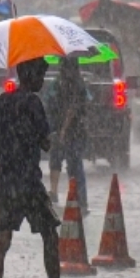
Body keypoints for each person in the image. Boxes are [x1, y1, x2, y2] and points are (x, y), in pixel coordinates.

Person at [0, 58, 88, 278]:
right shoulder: (33, 103)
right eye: (41, 74)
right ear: (31, 76)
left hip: (7, 182)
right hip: (29, 183)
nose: (43, 80)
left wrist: (13, 139)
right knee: (50, 236)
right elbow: (45, 142)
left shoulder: (2, 101)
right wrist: (41, 137)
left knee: (3, 240)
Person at [43, 58, 91, 212]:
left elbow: (75, 107)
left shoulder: (69, 85)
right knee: (70, 163)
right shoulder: (72, 85)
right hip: (69, 130)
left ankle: (78, 200)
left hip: (71, 131)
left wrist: (62, 128)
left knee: (71, 164)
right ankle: (78, 199)